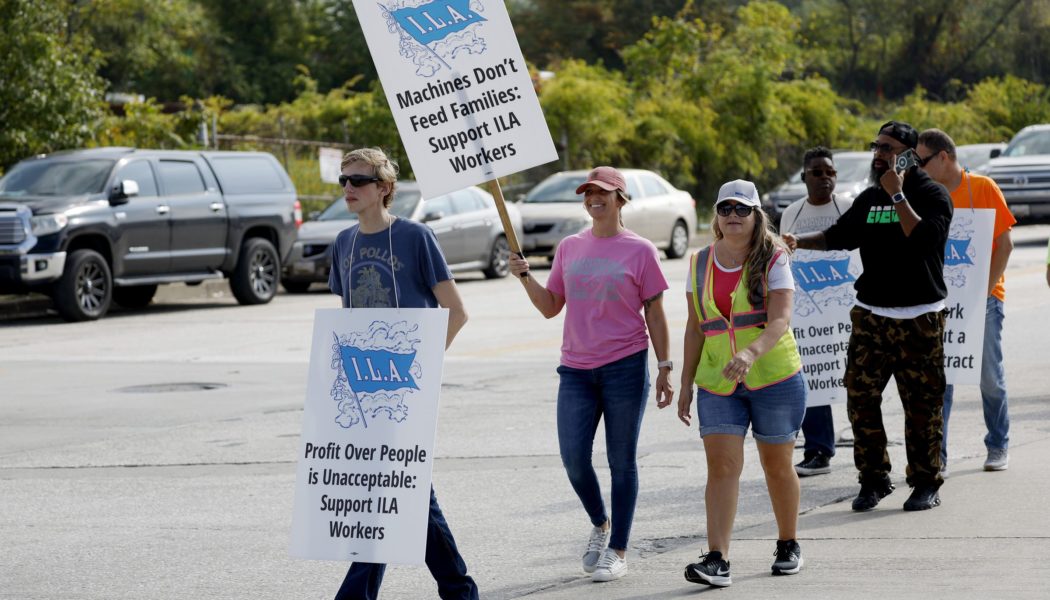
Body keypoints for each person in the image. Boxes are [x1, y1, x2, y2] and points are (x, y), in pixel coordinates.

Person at [508, 166, 673, 582]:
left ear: (620, 199)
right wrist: (525, 276)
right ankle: (601, 525)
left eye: (602, 192)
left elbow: (654, 311)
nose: (593, 198)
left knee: (622, 461)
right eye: (588, 193)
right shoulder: (569, 247)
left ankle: (618, 549)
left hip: (625, 366)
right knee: (574, 459)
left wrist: (665, 367)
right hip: (577, 370)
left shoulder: (640, 250)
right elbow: (551, 306)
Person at [327, 147, 478, 600]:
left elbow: (456, 311)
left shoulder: (415, 237)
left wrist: (422, 369)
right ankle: (459, 591)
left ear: (384, 188)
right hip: (359, 389)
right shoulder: (343, 243)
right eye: (344, 181)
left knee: (391, 484)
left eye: (359, 181)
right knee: (399, 489)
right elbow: (347, 320)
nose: (349, 189)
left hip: (403, 388)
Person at [783, 121, 953, 513]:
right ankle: (874, 479)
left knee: (922, 406)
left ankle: (925, 482)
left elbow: (925, 239)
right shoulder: (869, 198)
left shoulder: (933, 195)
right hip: (872, 318)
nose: (878, 154)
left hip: (920, 319)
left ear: (909, 155)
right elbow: (838, 235)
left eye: (888, 148)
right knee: (860, 400)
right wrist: (798, 242)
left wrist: (897, 195)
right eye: (876, 146)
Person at [678, 180, 806, 588]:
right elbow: (695, 328)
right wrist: (684, 382)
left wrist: (750, 354)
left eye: (742, 209)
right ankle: (718, 558)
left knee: (776, 465)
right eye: (726, 208)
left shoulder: (774, 258)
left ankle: (788, 543)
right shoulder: (699, 262)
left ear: (756, 216)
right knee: (721, 466)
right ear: (716, 216)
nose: (733, 216)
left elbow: (780, 319)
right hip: (718, 381)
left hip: (774, 377)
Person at [917, 129, 1015, 473]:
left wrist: (983, 292)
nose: (918, 167)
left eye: (922, 160)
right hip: (940, 304)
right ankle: (937, 456)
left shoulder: (983, 189)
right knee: (941, 381)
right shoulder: (923, 196)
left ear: (943, 157)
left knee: (989, 376)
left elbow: (1005, 246)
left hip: (984, 300)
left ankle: (998, 444)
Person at [779, 147, 854, 477]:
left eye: (830, 172)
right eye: (817, 172)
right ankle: (819, 450)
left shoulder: (850, 208)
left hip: (848, 312)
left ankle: (868, 449)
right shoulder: (791, 215)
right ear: (803, 177)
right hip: (808, 318)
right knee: (813, 380)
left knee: (856, 382)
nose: (825, 178)